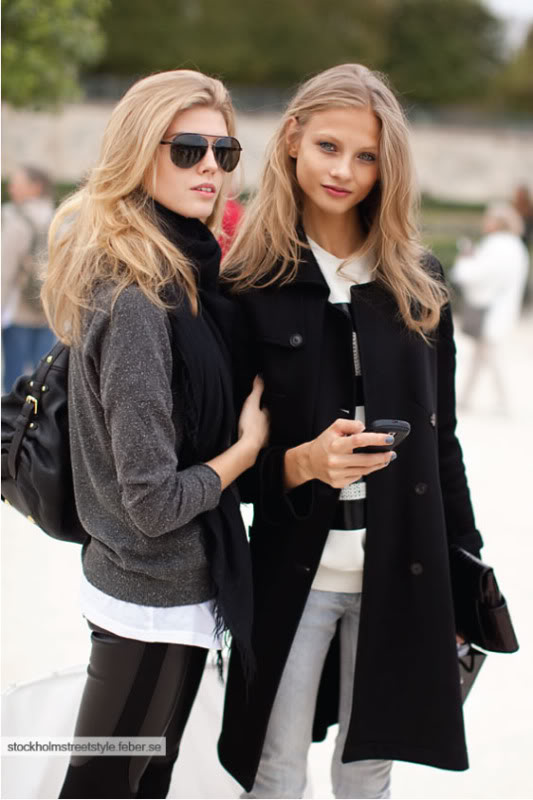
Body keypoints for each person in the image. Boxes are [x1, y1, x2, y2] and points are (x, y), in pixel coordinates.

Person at [218, 63, 483, 799]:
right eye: (329, 147)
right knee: (274, 774)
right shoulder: (248, 284)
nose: (344, 171)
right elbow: (222, 466)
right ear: (292, 139)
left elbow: (442, 444)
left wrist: (465, 574)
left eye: (366, 156)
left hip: (403, 576)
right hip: (291, 578)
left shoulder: (418, 281)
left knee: (367, 775)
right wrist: (301, 463)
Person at [40, 69, 269, 799]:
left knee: (139, 783)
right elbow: (152, 502)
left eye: (224, 152)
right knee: (111, 788)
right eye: (188, 149)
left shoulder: (182, 272)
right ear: (140, 153)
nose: (210, 167)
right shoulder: (139, 296)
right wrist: (245, 451)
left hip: (161, 594)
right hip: (151, 600)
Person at [451, 202, 529, 413]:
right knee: (482, 356)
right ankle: (467, 399)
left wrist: (465, 261)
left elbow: (478, 275)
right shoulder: (515, 246)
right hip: (499, 309)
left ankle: (503, 402)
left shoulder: (498, 245)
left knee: (491, 357)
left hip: (491, 310)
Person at [1, 165, 55, 391]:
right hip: (47, 309)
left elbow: (4, 270)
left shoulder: (16, 220)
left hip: (18, 311)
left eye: (17, 184)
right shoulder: (57, 218)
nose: (11, 188)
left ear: (36, 187)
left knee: (15, 380)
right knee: (43, 376)